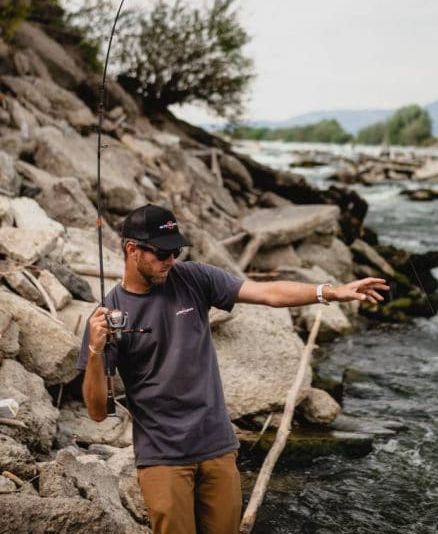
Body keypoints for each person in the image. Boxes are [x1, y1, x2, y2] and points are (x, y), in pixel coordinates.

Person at [78, 204, 388, 534]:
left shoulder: (193, 278)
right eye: (162, 253)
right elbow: (97, 412)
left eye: (176, 252)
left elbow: (266, 292)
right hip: (162, 457)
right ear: (132, 250)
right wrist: (97, 351)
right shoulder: (106, 317)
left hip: (217, 447)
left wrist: (328, 291)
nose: (171, 261)